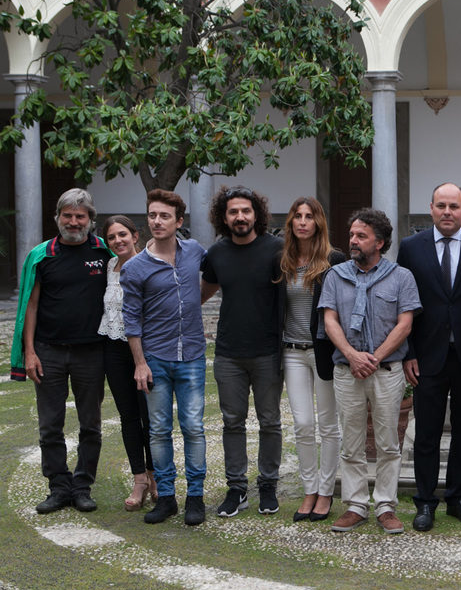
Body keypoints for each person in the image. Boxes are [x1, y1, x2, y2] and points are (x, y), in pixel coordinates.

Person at [396, 182, 461, 531]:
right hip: (426, 357)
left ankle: (458, 498)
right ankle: (425, 501)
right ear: (431, 208)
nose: (447, 212)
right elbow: (402, 303)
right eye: (441, 205)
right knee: (426, 432)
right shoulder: (411, 248)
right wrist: (408, 351)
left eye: (454, 206)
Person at [319, 208, 421, 534]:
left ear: (380, 242)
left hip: (387, 371)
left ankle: (386, 505)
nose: (353, 241)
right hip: (347, 370)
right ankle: (355, 505)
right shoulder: (336, 275)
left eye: (361, 236)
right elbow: (329, 319)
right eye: (352, 234)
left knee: (389, 441)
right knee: (351, 441)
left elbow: (405, 325)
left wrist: (372, 358)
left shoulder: (401, 277)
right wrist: (352, 355)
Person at [10, 188, 111, 514]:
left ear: (90, 220)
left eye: (80, 216)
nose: (73, 221)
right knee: (50, 425)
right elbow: (31, 306)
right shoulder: (42, 255)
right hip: (48, 352)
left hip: (91, 353)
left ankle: (82, 486)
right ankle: (58, 486)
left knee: (90, 424)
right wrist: (30, 352)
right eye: (67, 215)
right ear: (57, 218)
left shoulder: (104, 252)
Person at [122, 189, 208, 526]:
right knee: (158, 430)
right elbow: (132, 321)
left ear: (179, 222)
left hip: (192, 356)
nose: (157, 221)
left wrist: (194, 304)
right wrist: (140, 363)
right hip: (155, 358)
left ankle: (196, 497)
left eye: (164, 216)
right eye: (152, 215)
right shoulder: (136, 267)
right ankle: (167, 497)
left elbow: (213, 279)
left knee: (193, 427)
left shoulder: (195, 252)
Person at [201, 186, 284, 518]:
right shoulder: (217, 254)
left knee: (270, 421)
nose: (240, 217)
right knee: (232, 422)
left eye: (245, 211)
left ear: (257, 214)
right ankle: (237, 488)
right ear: (224, 217)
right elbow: (200, 294)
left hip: (267, 351)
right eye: (233, 212)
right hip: (228, 353)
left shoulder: (277, 249)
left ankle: (267, 485)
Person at [278, 197, 345, 522]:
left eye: (309, 216)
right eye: (297, 217)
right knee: (303, 425)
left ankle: (326, 490)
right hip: (291, 353)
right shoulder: (282, 261)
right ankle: (308, 489)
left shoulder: (334, 261)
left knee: (329, 425)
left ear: (319, 222)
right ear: (290, 223)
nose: (303, 222)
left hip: (323, 354)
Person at [99, 215, 157, 511]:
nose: (118, 241)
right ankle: (139, 479)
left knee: (151, 417)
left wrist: (142, 359)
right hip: (113, 349)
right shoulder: (109, 267)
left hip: (145, 351)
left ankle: (156, 474)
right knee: (128, 417)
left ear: (135, 236)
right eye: (112, 237)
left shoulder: (148, 264)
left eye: (123, 234)